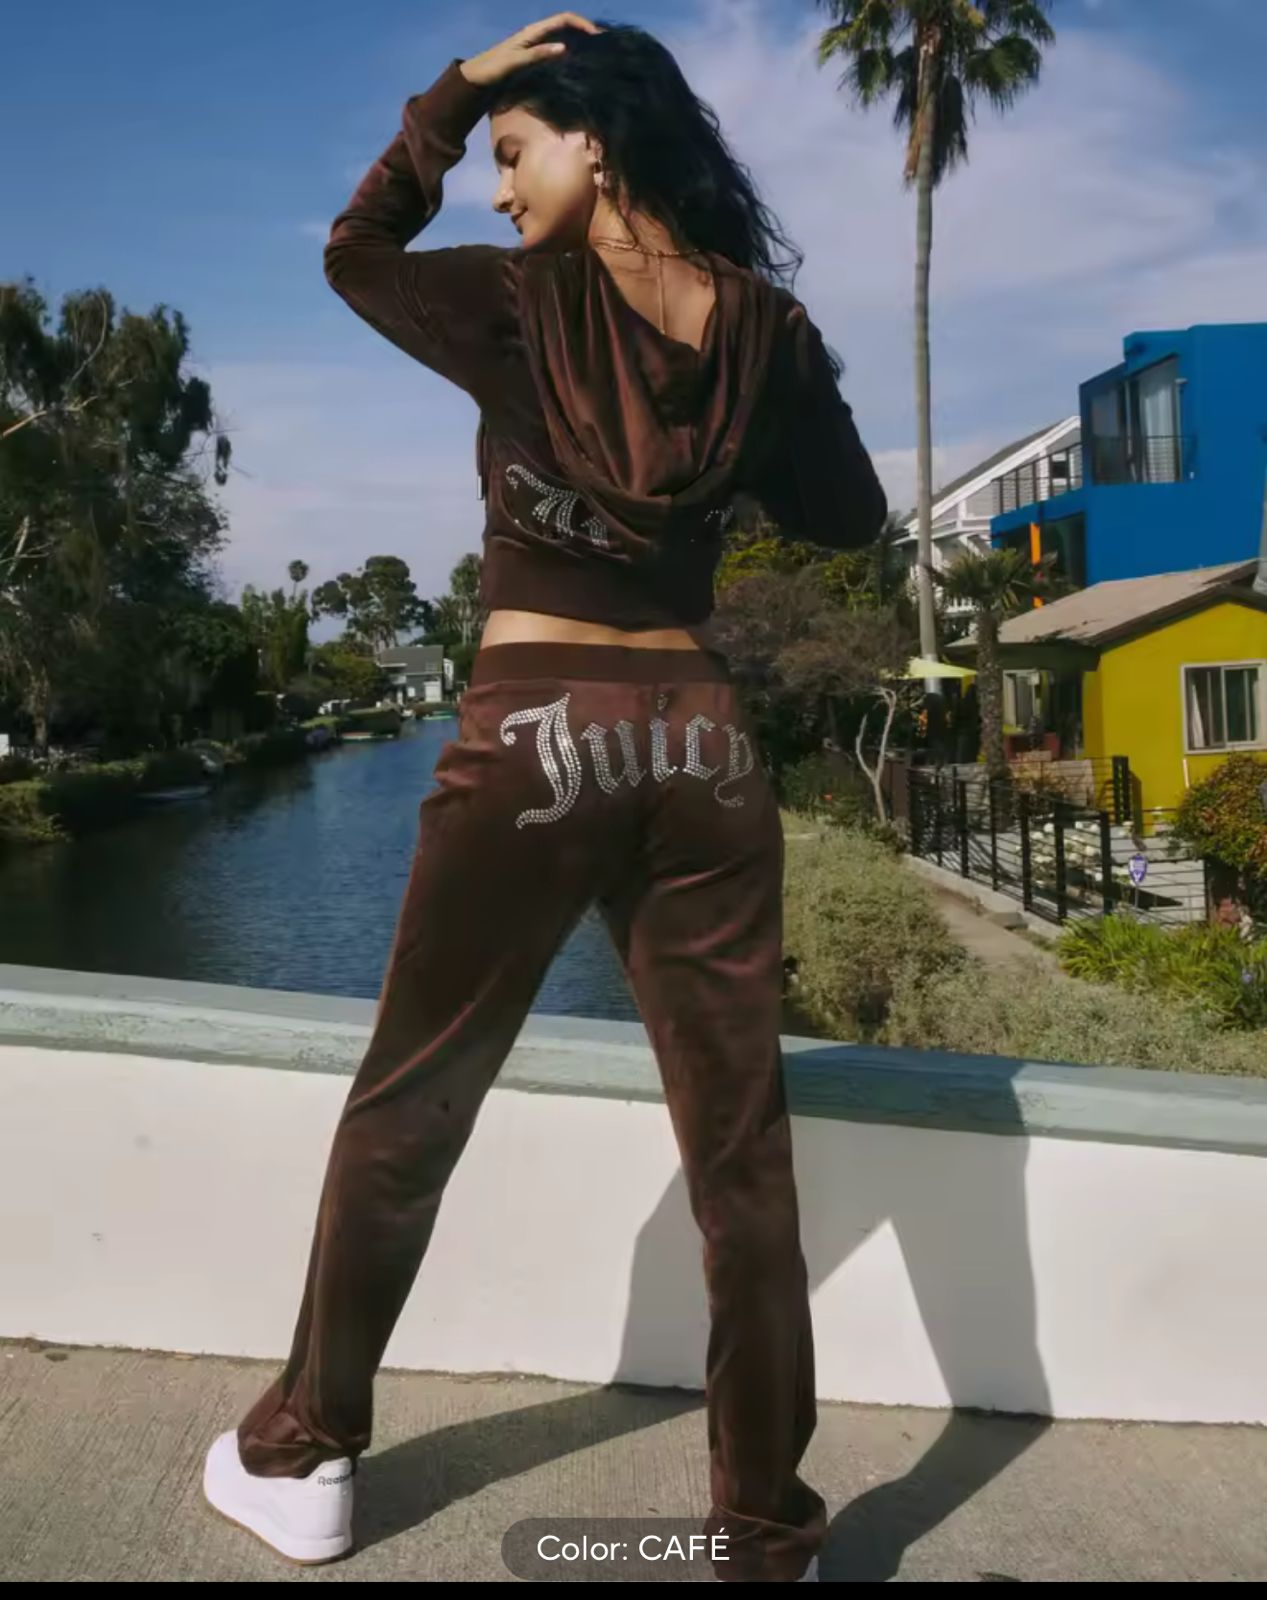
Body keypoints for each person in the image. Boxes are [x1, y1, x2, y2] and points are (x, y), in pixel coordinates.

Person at [202, 14, 885, 1583]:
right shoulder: (768, 327)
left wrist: (450, 96)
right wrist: (769, 404)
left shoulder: (515, 300)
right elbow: (847, 517)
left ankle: (304, 1452)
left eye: (516, 157)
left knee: (412, 1101)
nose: (501, 192)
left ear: (596, 140)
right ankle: (763, 1528)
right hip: (703, 746)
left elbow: (355, 251)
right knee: (742, 1155)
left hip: (537, 731)